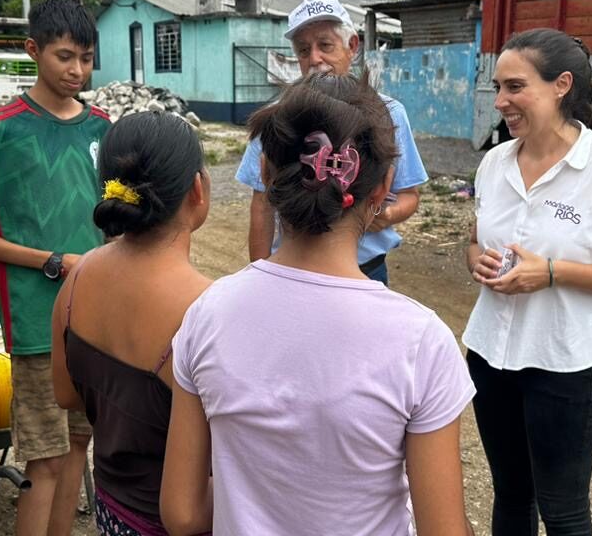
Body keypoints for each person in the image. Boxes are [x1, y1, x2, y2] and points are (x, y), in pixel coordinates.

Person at [162, 73, 476, 536]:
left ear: (265, 173)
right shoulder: (420, 340)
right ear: (383, 185)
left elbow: (183, 514)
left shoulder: (207, 315)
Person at [463, 28, 592, 536]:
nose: (500, 101)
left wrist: (551, 273)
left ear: (561, 85)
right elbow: (474, 237)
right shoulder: (494, 162)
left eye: (514, 87)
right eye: (498, 88)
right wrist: (477, 261)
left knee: (564, 511)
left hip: (566, 366)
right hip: (490, 356)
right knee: (510, 496)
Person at [0, 0, 110, 536]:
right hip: (36, 325)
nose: (77, 71)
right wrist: (50, 261)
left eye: (87, 58)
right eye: (64, 56)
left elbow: (116, 221)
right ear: (32, 51)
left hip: (94, 323)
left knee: (78, 449)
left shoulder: (103, 130)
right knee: (43, 460)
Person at [49, 111, 212, 536]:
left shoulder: (78, 276)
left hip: (112, 508)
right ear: (198, 189)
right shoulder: (207, 310)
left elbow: (66, 394)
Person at [236, 0, 428, 285]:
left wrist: (385, 214)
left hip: (366, 268)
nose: (314, 59)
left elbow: (409, 195)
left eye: (325, 46)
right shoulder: (276, 118)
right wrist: (259, 278)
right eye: (303, 50)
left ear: (352, 46)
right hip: (292, 269)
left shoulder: (388, 114)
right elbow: (262, 204)